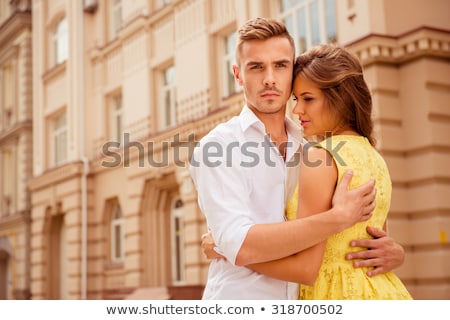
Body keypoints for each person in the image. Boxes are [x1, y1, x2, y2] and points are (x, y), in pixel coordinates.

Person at [190, 17, 404, 300]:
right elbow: (241, 246)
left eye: (280, 65)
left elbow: (344, 242)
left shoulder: (312, 150)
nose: (269, 78)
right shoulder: (216, 148)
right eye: (256, 67)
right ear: (238, 74)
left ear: (293, 71)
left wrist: (394, 251)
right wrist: (337, 218)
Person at [236, 44, 413, 299]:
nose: (297, 110)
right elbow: (376, 242)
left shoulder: (320, 157)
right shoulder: (375, 157)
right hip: (384, 292)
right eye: (296, 99)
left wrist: (233, 251)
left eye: (308, 99)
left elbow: (305, 268)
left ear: (340, 98)